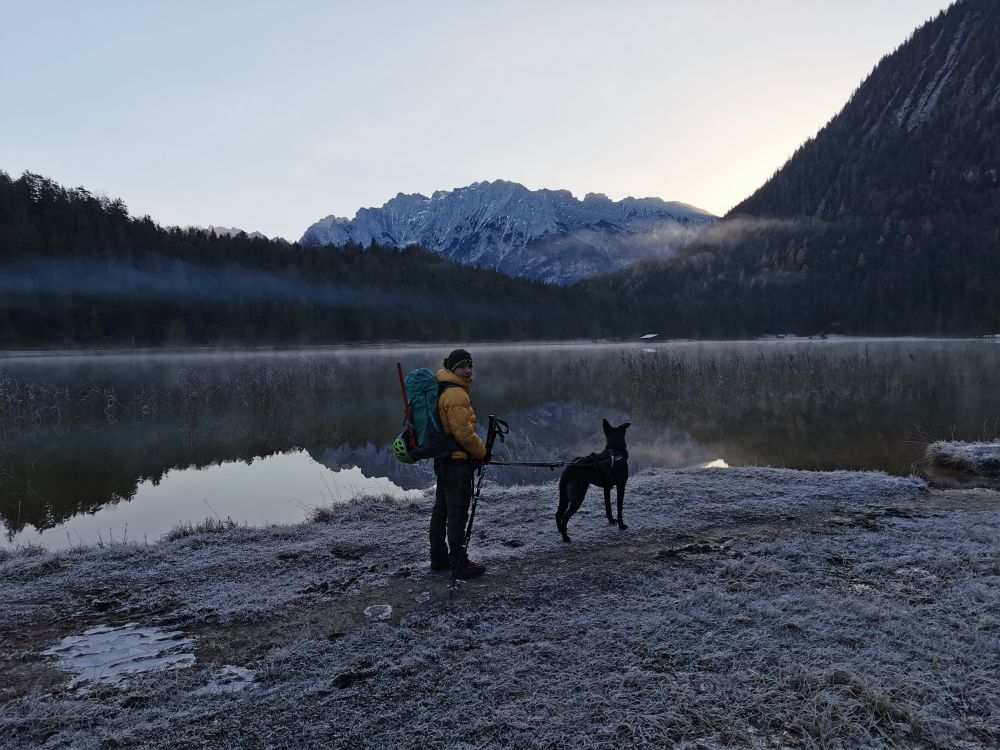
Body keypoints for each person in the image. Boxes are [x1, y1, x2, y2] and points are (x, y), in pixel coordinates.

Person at [429, 348, 488, 578]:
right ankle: (458, 563)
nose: (468, 370)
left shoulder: (443, 386)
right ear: (452, 368)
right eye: (463, 366)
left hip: (445, 461)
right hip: (457, 464)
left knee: (441, 510)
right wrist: (482, 453)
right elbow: (463, 434)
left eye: (470, 365)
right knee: (457, 513)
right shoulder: (456, 394)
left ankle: (439, 558)